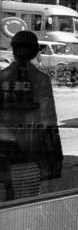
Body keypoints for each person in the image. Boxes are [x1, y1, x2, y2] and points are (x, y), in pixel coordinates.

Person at [0, 31, 62, 200]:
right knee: (28, 199)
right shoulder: (41, 80)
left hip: (4, 146)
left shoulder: (2, 77)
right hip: (31, 148)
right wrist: (56, 154)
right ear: (35, 52)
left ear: (13, 51)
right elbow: (49, 119)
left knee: (8, 194)